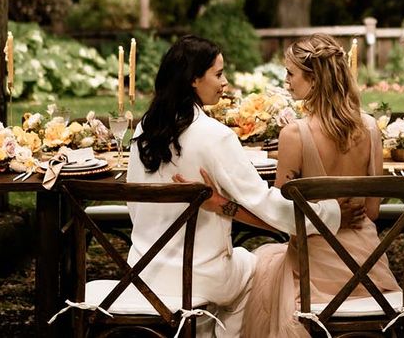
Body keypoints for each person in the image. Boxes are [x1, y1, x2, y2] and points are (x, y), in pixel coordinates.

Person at [127, 35, 357, 338]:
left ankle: (202, 327)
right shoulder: (214, 136)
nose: (225, 83)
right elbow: (266, 204)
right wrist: (330, 213)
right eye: (219, 74)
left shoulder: (145, 128)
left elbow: (134, 204)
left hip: (141, 270)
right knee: (257, 271)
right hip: (199, 276)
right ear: (194, 79)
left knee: (242, 268)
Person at [236, 33, 401, 337]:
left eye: (290, 73)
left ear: (313, 80)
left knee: (260, 271)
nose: (286, 80)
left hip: (311, 273)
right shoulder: (369, 128)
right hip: (368, 270)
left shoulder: (294, 135)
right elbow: (373, 212)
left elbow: (288, 219)